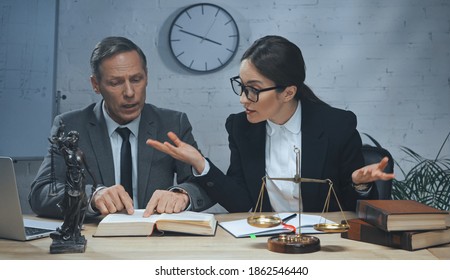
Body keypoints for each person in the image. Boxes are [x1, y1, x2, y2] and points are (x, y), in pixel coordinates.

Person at [147, 35, 394, 213]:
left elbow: (351, 210)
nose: (243, 99)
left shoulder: (337, 125)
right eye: (241, 86)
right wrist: (201, 164)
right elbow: (242, 203)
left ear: (288, 92)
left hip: (324, 245)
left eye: (253, 90)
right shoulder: (240, 127)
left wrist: (359, 184)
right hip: (266, 242)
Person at [29, 36, 212, 219]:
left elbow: (205, 185)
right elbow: (41, 193)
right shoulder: (69, 126)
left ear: (146, 77)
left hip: (156, 239)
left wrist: (182, 195)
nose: (130, 93)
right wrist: (92, 197)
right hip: (95, 239)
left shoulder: (173, 123)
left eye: (136, 79)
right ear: (96, 85)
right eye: (116, 83)